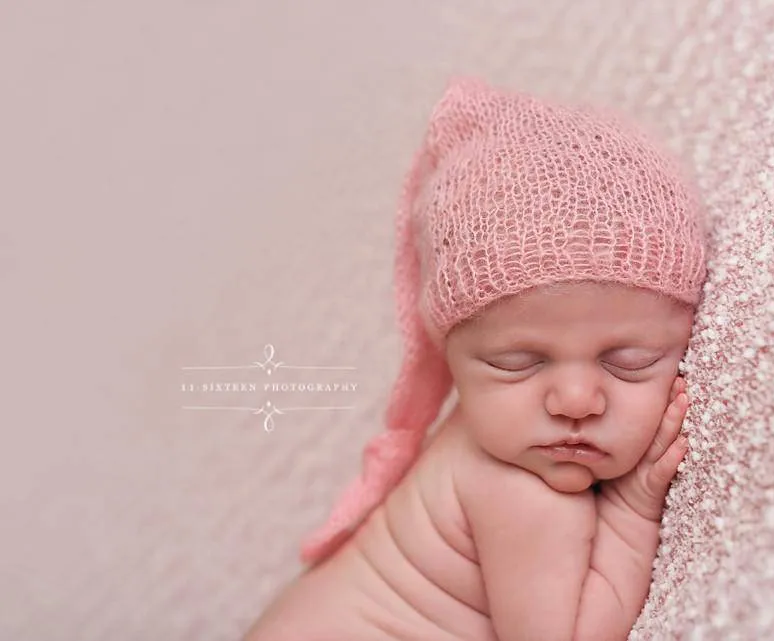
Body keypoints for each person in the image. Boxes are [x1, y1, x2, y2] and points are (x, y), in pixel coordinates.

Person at [244, 76, 708, 641]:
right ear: (452, 361)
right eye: (518, 363)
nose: (576, 400)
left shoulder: (501, 435)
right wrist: (634, 513)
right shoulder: (524, 495)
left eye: (629, 361)